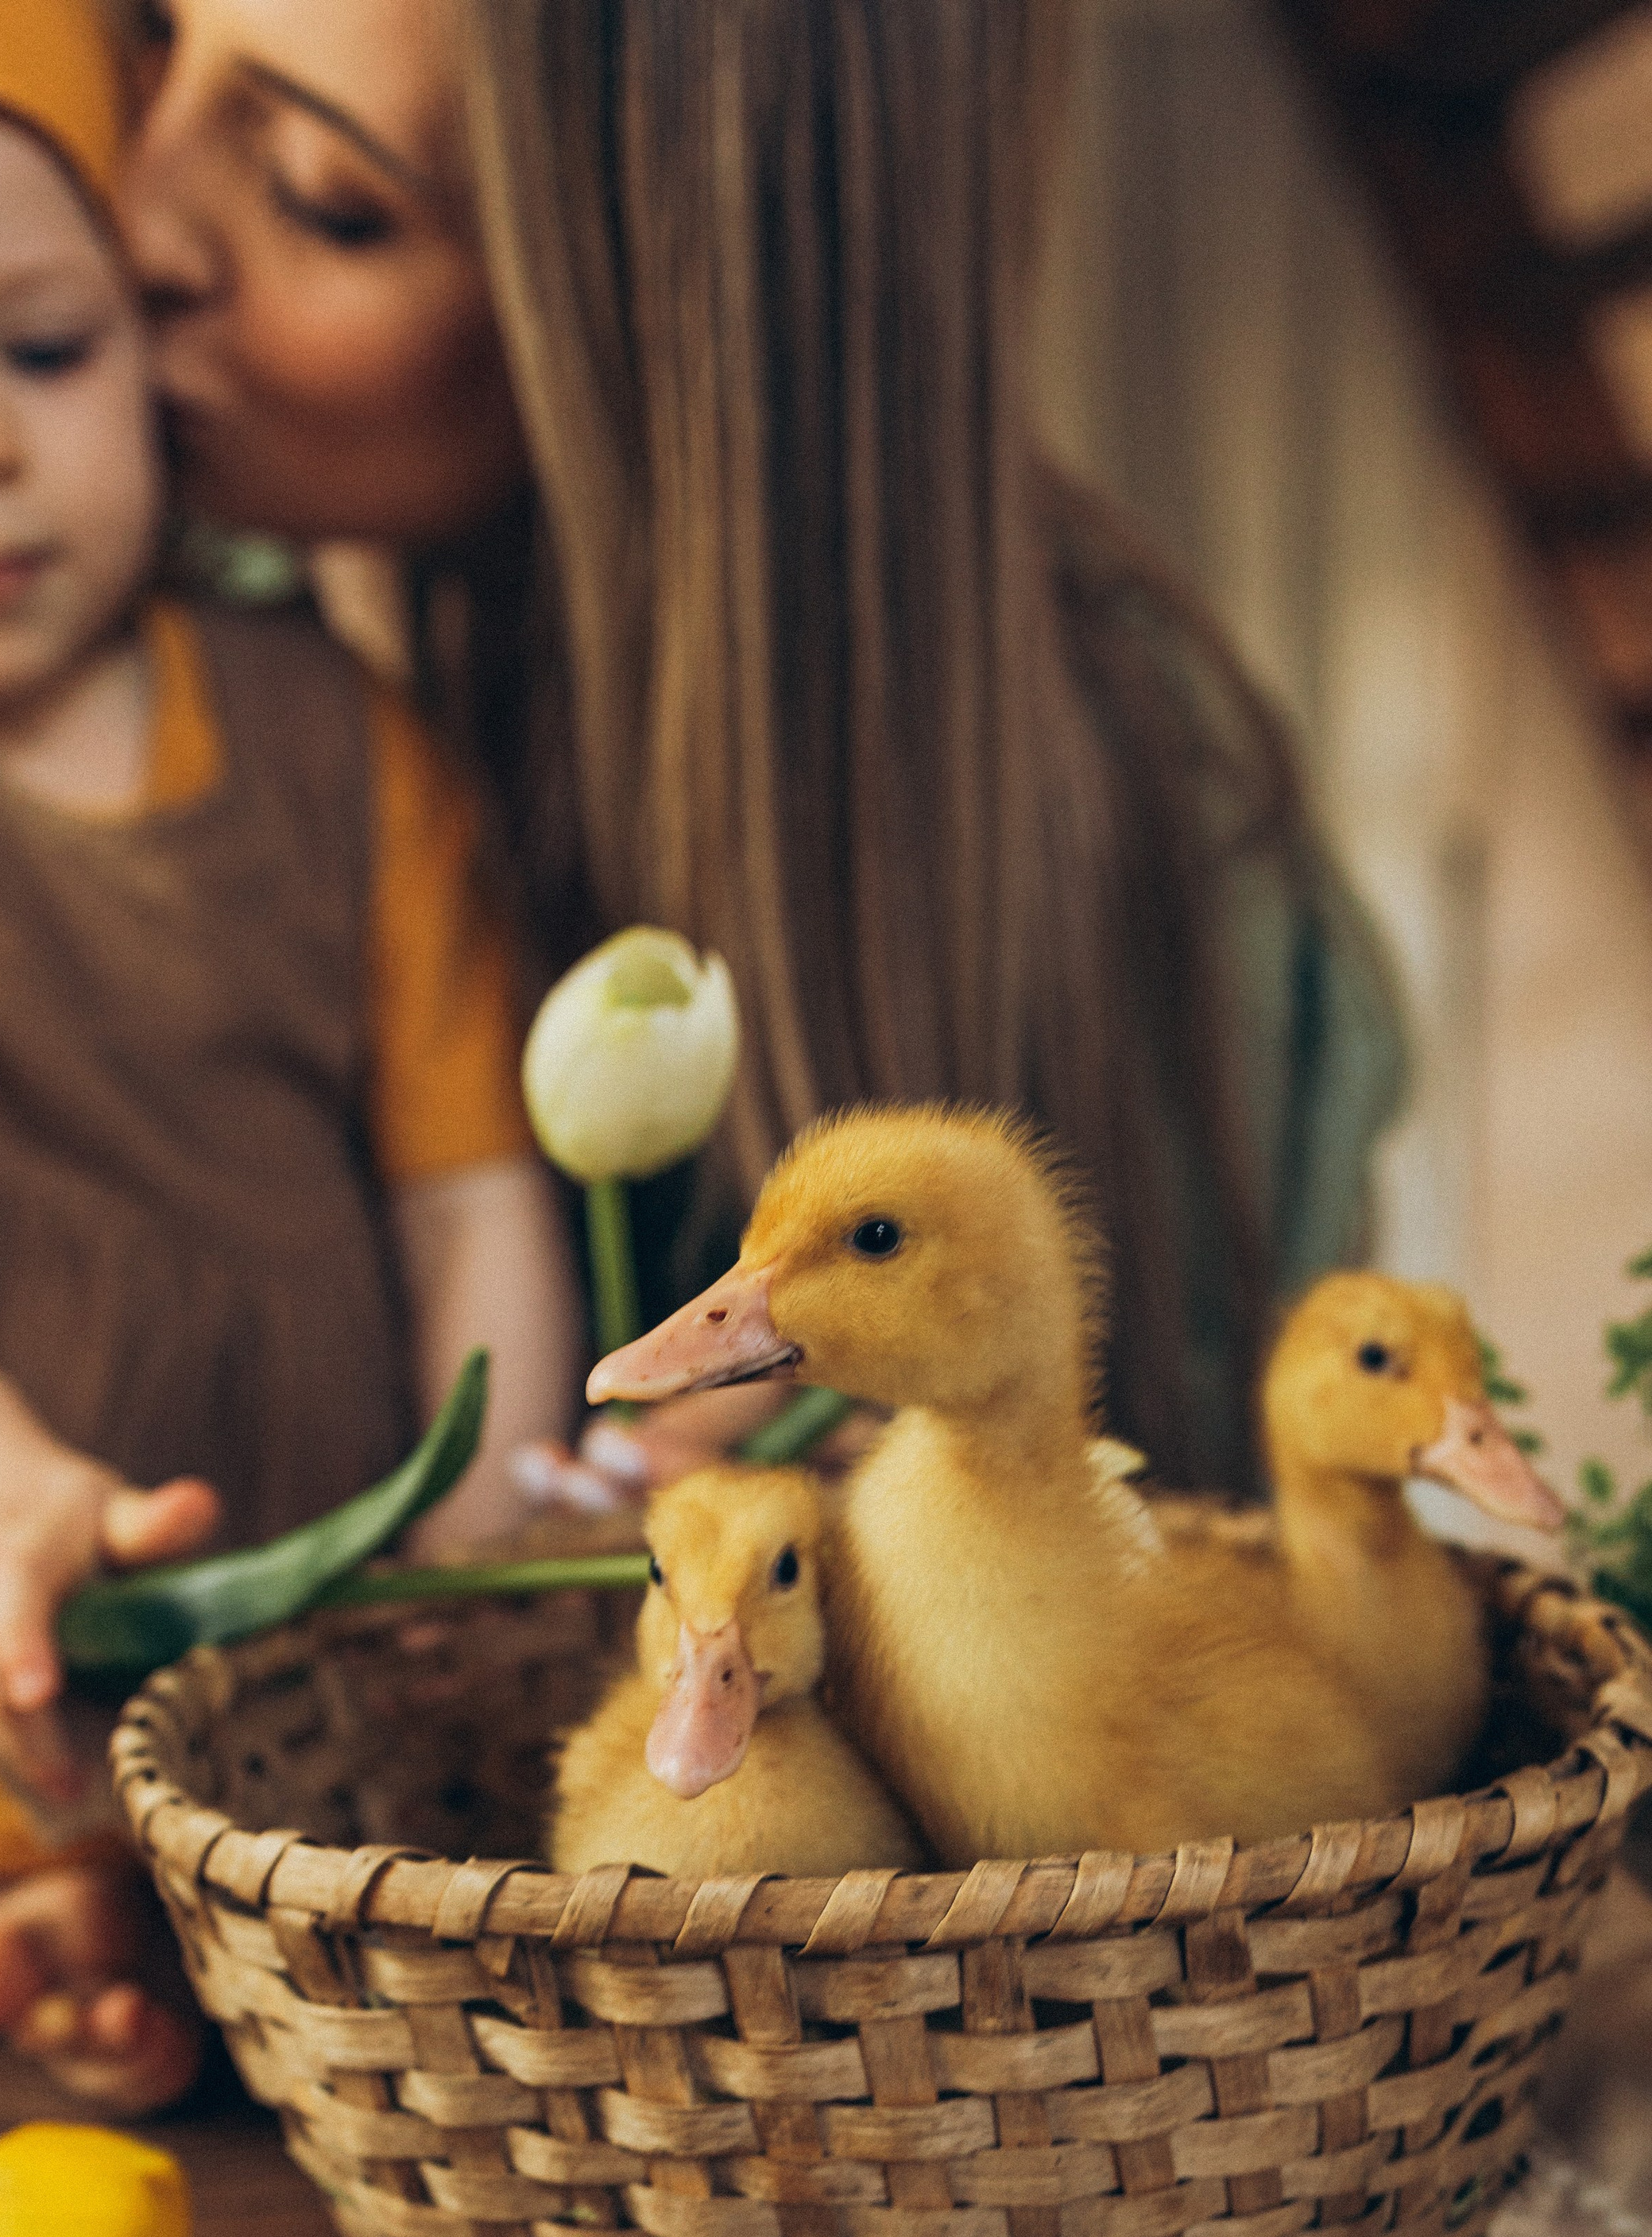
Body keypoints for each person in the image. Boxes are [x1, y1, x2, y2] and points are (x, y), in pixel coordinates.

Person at [0, 0, 580, 2108]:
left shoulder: (346, 737)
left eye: (45, 348)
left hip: (269, 1572)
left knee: (398, 1795)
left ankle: (182, 1888)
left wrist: (484, 1518)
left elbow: (472, 1196)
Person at [122, 0, 1407, 1500]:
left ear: (677, 322)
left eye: (320, 196)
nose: (130, 213)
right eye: (142, 36)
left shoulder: (1172, 887)